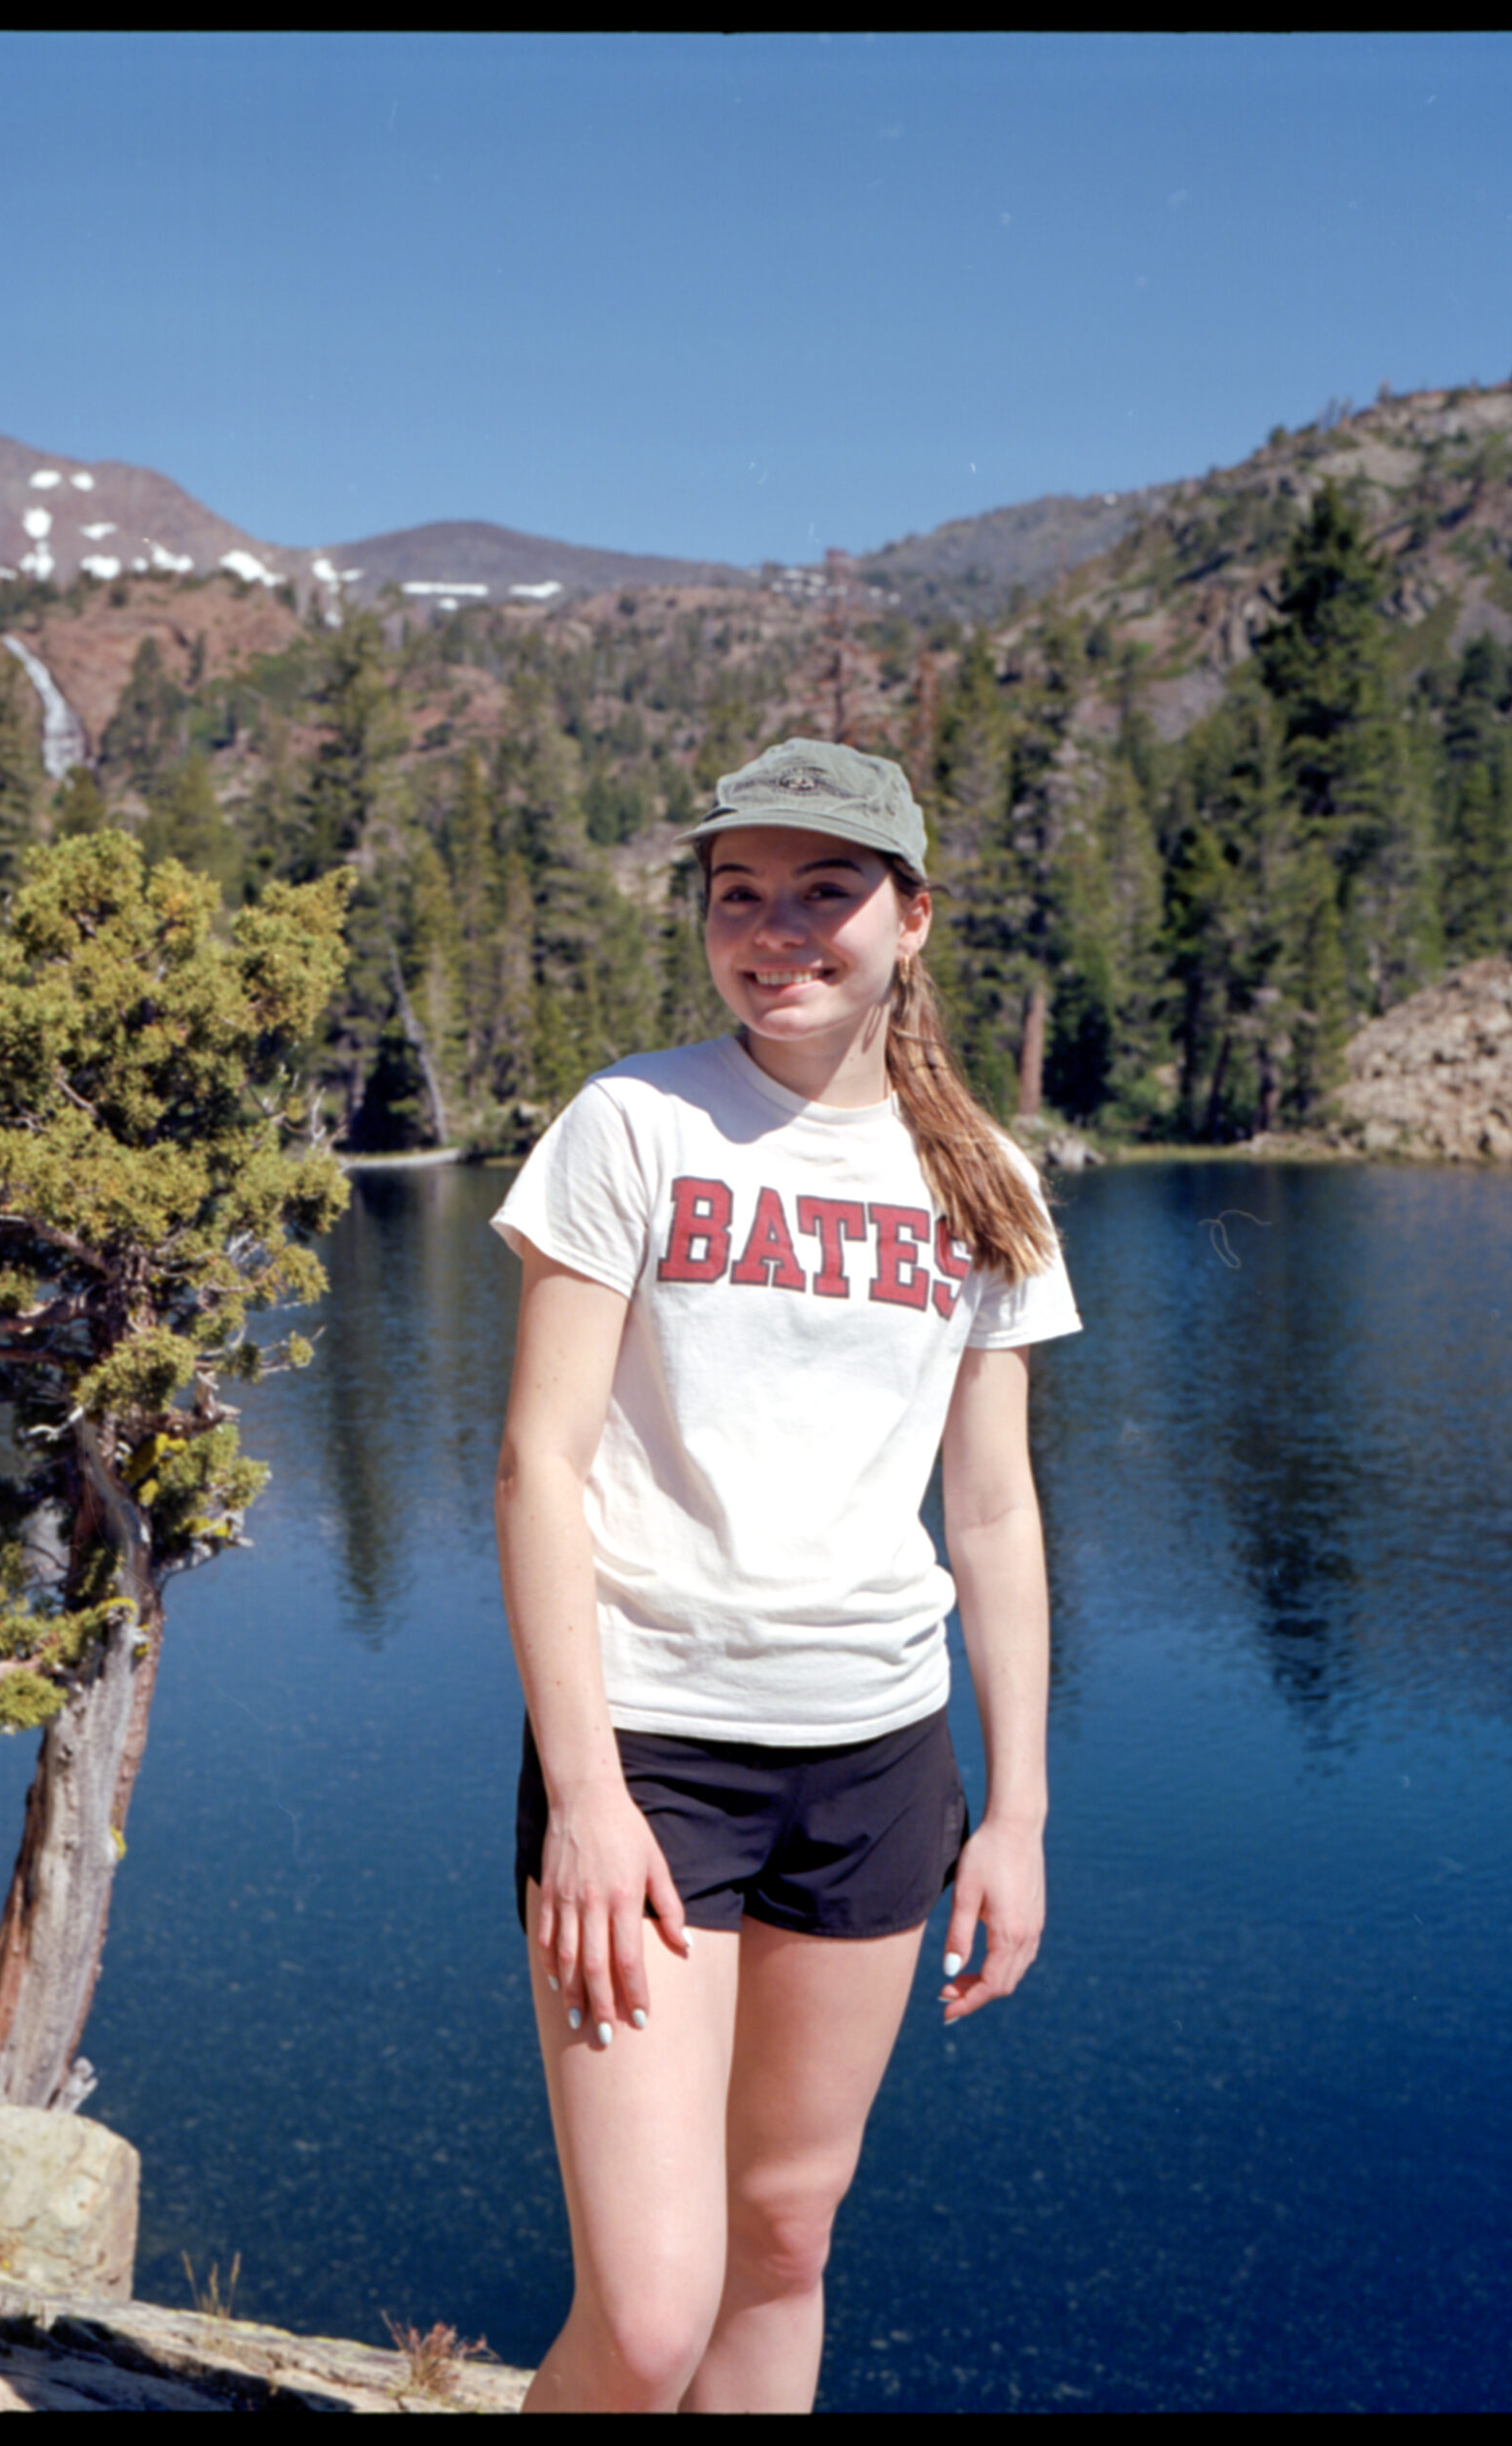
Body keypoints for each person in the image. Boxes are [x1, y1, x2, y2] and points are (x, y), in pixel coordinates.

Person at [490, 736, 1082, 2413]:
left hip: (880, 1763)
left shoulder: (985, 1178)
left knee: (787, 2237)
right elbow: (540, 1466)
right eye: (738, 895)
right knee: (654, 2313)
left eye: (827, 892)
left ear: (911, 919)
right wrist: (589, 1799)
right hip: (653, 1755)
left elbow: (993, 1516)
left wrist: (1017, 1814)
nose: (778, 931)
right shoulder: (634, 1123)